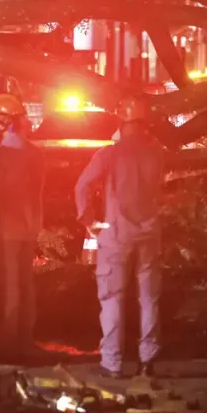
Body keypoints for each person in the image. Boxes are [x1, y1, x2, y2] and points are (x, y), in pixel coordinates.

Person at [74, 96, 165, 379]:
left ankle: (112, 362)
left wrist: (89, 221)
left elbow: (82, 186)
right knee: (148, 298)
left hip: (115, 233)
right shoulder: (157, 153)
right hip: (149, 231)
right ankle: (148, 360)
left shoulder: (108, 155)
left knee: (112, 298)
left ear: (120, 122)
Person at [0, 93, 45, 364]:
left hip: (2, 230)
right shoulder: (35, 153)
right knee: (25, 285)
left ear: (2, 122)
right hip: (28, 228)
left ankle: (6, 345)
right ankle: (24, 340)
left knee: (6, 287)